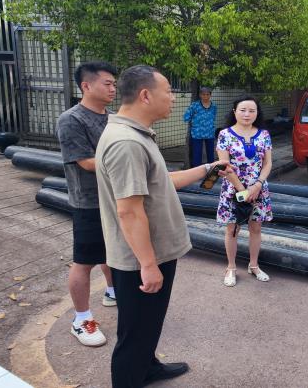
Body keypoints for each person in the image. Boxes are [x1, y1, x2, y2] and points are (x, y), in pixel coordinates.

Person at [95, 65, 230, 387]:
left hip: (151, 252)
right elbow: (129, 211)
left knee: (148, 324)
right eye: (168, 91)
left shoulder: (136, 135)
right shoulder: (127, 143)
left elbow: (161, 181)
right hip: (141, 258)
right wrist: (148, 264)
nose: (173, 98)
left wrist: (207, 168)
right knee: (135, 332)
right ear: (145, 95)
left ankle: (148, 367)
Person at [56, 61, 118, 347]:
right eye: (107, 83)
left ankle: (113, 291)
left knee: (113, 252)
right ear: (86, 86)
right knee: (84, 261)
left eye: (114, 84)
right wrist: (130, 161)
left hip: (117, 197)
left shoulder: (114, 118)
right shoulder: (71, 120)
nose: (113, 88)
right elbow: (86, 162)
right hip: (89, 202)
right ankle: (81, 319)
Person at [215, 95, 273, 287]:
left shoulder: (264, 134)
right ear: (234, 112)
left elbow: (267, 163)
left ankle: (253, 265)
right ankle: (231, 267)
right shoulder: (225, 134)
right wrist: (242, 190)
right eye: (243, 110)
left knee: (256, 228)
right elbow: (224, 166)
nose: (247, 114)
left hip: (258, 189)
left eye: (251, 110)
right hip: (233, 189)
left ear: (257, 113)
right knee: (233, 229)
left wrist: (257, 185)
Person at [183, 86, 217, 167]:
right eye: (203, 94)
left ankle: (211, 170)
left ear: (210, 95)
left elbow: (213, 117)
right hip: (197, 133)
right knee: (197, 154)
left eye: (207, 94)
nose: (205, 96)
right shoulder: (195, 105)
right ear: (200, 95)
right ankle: (197, 171)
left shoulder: (214, 106)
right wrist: (196, 120)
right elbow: (186, 117)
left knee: (211, 154)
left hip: (210, 133)